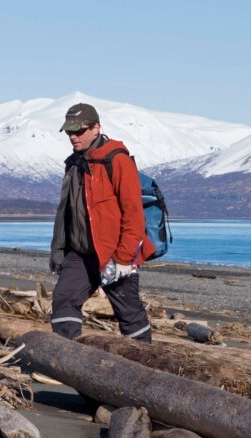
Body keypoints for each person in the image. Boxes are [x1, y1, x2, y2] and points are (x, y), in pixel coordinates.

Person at [49, 103, 155, 342]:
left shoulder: (117, 160)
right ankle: (67, 359)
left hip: (114, 254)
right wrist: (57, 250)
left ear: (96, 128)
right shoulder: (72, 164)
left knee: (128, 312)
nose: (73, 137)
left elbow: (133, 213)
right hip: (80, 253)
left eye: (79, 131)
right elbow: (65, 212)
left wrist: (125, 257)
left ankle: (145, 364)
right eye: (69, 132)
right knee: (63, 299)